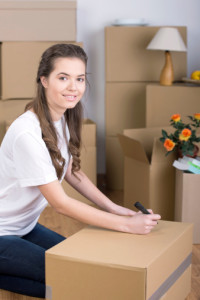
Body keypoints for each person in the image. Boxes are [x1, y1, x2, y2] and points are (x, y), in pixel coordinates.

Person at [0, 43, 161, 298]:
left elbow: (72, 172)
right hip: (2, 232)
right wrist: (126, 226)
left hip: (24, 226)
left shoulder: (60, 117)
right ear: (43, 80)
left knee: (80, 269)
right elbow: (61, 204)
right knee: (74, 279)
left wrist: (116, 209)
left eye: (80, 78)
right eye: (63, 78)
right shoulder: (27, 134)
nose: (73, 87)